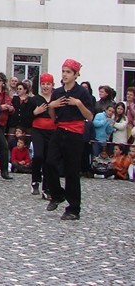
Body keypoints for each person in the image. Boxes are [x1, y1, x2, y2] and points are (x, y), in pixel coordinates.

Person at [44, 59, 94, 220]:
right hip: (59, 130)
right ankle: (57, 194)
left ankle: (73, 208)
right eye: (63, 71)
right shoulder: (57, 92)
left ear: (75, 75)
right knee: (50, 162)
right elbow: (53, 117)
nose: (65, 74)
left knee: (71, 171)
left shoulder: (82, 93)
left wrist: (78, 103)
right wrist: (52, 106)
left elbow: (89, 116)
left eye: (68, 72)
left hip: (75, 133)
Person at [28, 73, 55, 198]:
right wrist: (35, 112)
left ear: (52, 85)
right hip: (38, 130)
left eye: (48, 84)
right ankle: (35, 180)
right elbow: (25, 117)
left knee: (49, 159)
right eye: (43, 84)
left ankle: (47, 188)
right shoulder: (35, 99)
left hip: (52, 130)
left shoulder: (56, 98)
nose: (45, 86)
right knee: (38, 155)